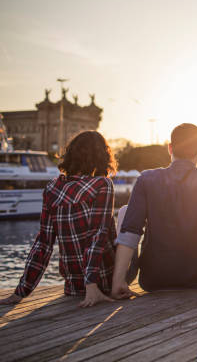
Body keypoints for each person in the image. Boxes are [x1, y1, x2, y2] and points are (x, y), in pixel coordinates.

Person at [111, 123, 197, 298]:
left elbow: (130, 232)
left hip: (154, 279)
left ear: (170, 148)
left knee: (125, 214)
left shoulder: (146, 179)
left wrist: (117, 282)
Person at [0, 131, 117, 307]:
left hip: (74, 286)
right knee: (124, 216)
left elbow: (43, 244)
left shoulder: (52, 188)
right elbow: (97, 235)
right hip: (104, 281)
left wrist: (21, 291)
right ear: (102, 156)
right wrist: (91, 283)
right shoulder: (102, 184)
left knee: (44, 238)